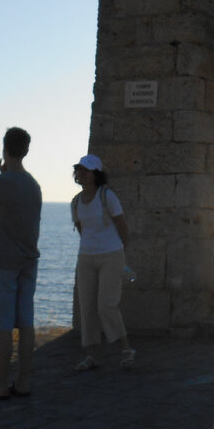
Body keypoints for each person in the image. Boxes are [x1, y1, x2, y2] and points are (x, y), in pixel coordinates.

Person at [0, 126, 42, 399]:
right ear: (26, 151)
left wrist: (3, 173)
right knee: (26, 322)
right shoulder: (35, 186)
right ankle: (25, 381)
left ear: (5, 148)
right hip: (29, 259)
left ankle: (1, 385)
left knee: (3, 325)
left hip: (3, 258)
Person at [71, 154, 134, 371]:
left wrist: (119, 252)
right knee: (87, 307)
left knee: (106, 305)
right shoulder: (76, 201)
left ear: (96, 174)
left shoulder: (107, 196)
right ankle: (91, 356)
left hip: (111, 255)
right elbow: (82, 230)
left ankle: (125, 350)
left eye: (86, 170)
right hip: (86, 257)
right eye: (80, 169)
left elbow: (122, 226)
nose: (82, 173)